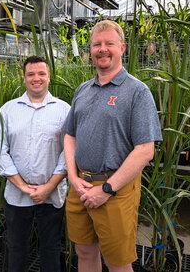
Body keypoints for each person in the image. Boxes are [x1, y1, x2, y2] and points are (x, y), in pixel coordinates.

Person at [64, 20, 162, 272]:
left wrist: (106, 189)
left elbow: (145, 150)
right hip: (81, 186)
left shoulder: (137, 92)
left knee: (117, 262)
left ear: (122, 47)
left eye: (109, 43)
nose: (102, 49)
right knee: (84, 252)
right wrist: (73, 178)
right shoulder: (82, 90)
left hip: (114, 190)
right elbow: (69, 135)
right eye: (97, 44)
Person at [0, 55, 70, 272]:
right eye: (31, 74)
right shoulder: (8, 110)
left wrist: (48, 187)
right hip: (17, 195)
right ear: (24, 77)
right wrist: (23, 187)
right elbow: (0, 153)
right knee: (16, 247)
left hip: (52, 194)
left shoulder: (64, 110)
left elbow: (68, 152)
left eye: (41, 73)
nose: (36, 78)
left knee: (51, 247)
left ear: (49, 76)